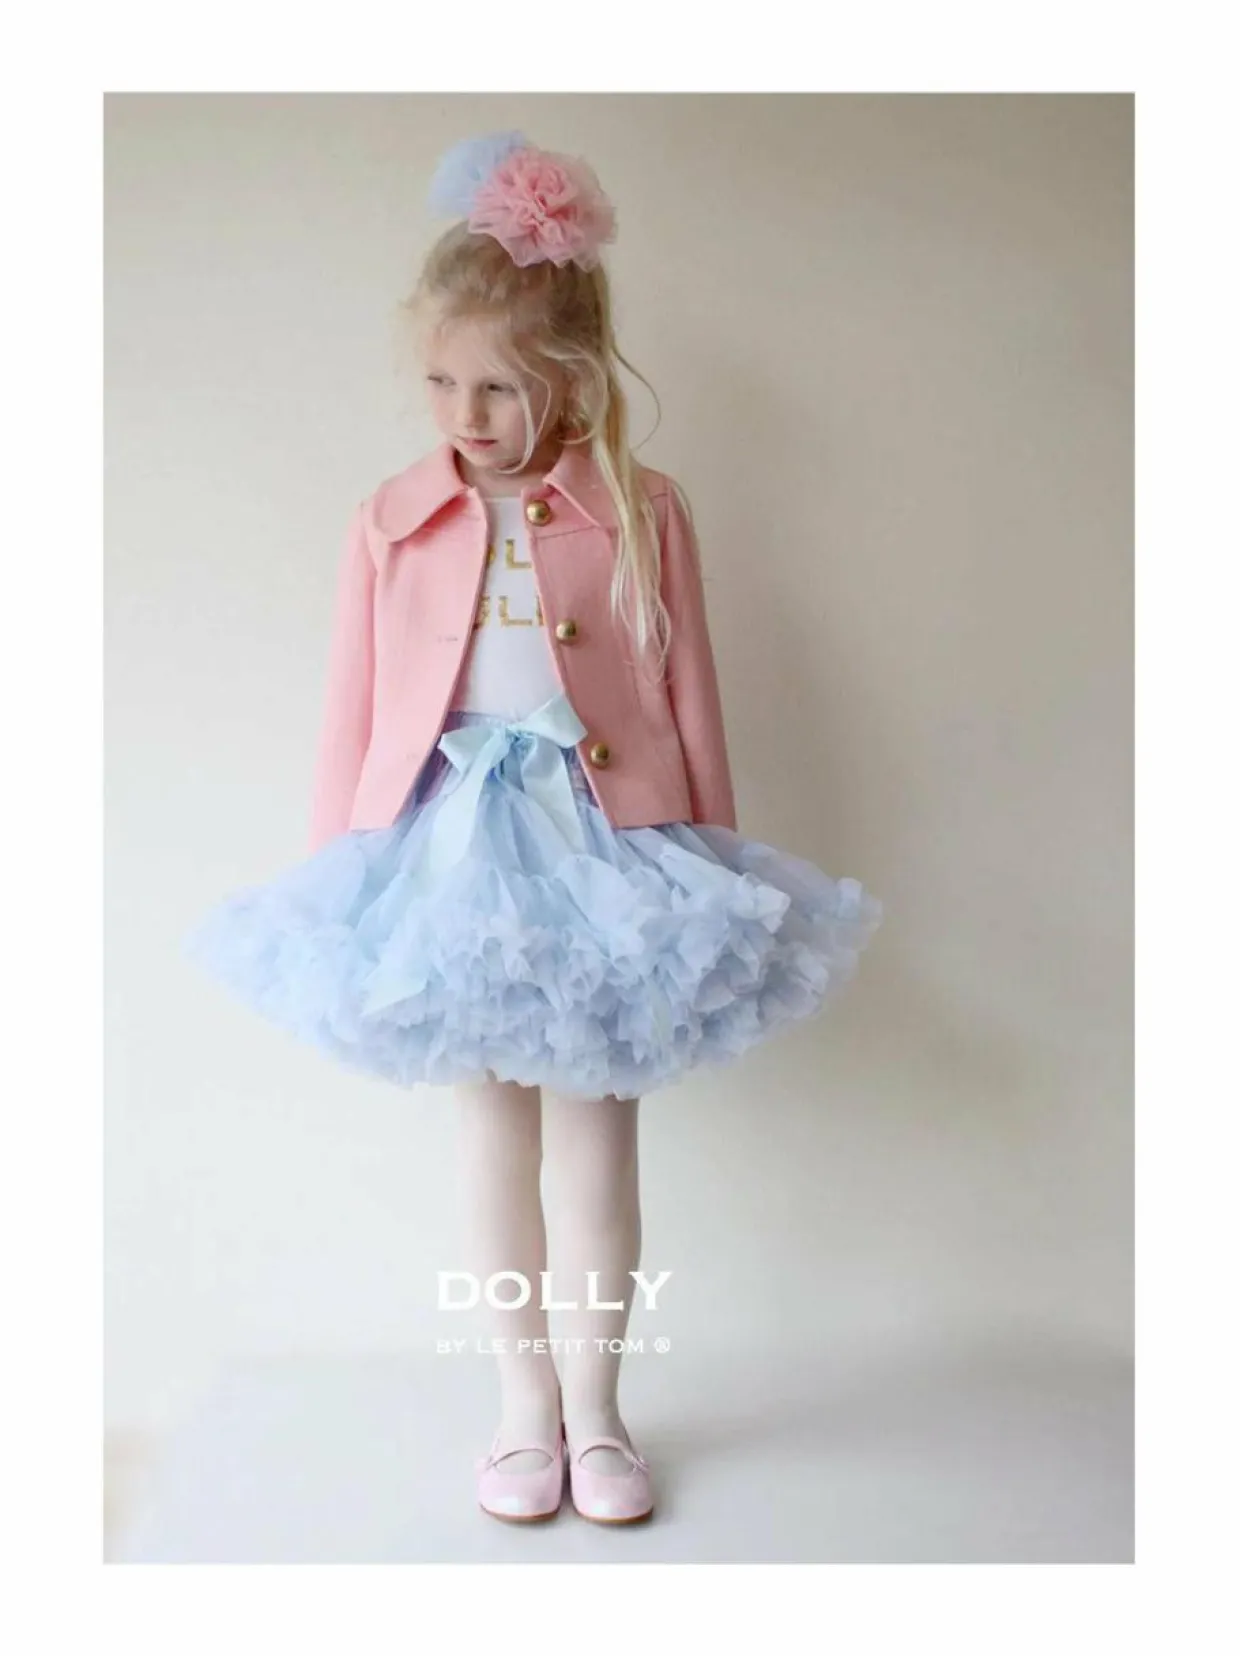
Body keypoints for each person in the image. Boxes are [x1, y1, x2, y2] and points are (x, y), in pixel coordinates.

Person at [184, 131, 884, 1526]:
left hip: (608, 854)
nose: (469, 411)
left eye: (500, 385)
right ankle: (522, 1408)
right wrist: (337, 881)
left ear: (569, 373)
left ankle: (601, 1412)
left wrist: (713, 865)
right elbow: (353, 704)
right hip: (446, 861)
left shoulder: (642, 511)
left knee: (599, 1144)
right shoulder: (391, 520)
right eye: (443, 382)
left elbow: (688, 691)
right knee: (491, 1143)